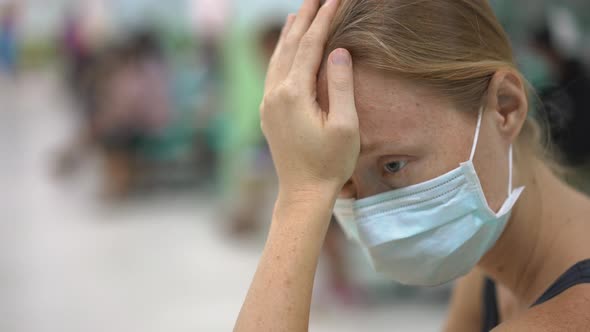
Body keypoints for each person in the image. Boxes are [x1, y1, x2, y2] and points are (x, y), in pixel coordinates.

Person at [234, 0, 590, 331]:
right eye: (342, 178)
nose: (367, 210)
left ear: (505, 107)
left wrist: (301, 197)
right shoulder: (491, 265)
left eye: (392, 165)